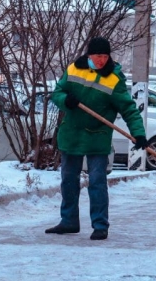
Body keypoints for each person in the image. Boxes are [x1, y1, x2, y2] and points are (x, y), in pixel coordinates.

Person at [46, 37, 147, 240]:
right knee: (68, 180)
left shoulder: (114, 79)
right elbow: (57, 92)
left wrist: (138, 133)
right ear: (89, 55)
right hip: (72, 133)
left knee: (97, 181)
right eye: (97, 56)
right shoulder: (74, 69)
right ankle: (69, 221)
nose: (101, 60)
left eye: (105, 56)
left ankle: (100, 225)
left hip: (98, 136)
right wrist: (66, 100)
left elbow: (128, 108)